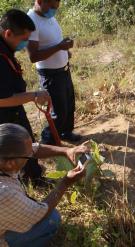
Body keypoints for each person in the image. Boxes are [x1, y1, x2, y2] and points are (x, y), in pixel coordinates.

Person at [0, 123, 89, 247]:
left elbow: (34, 149)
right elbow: (40, 213)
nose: (32, 155)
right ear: (10, 164)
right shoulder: (5, 193)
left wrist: (67, 150)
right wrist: (65, 182)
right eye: (28, 156)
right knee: (52, 219)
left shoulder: (5, 157)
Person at [0, 9, 52, 184]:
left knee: (26, 142)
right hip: (5, 115)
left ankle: (32, 176)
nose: (26, 44)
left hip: (14, 111)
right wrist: (34, 95)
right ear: (8, 33)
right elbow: (2, 99)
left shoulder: (5, 49)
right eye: (23, 40)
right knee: (18, 146)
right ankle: (28, 181)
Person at [27, 0, 81, 145]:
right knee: (59, 112)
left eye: (56, 7)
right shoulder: (31, 20)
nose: (54, 10)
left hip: (63, 70)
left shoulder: (48, 16)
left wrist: (65, 51)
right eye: (52, 7)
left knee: (69, 106)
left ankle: (65, 133)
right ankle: (47, 141)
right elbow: (33, 56)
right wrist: (59, 47)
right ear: (39, 1)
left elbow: (53, 42)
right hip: (51, 75)